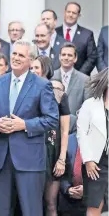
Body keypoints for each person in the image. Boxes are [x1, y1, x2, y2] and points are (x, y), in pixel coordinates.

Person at [0, 39, 59, 216]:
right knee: (2, 211)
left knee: (31, 211)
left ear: (31, 60)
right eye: (14, 53)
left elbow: (52, 119)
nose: (16, 58)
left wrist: (24, 125)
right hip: (0, 158)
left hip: (30, 160)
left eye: (21, 55)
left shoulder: (42, 85)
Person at [30, 56, 71, 216]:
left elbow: (65, 130)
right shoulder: (26, 92)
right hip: (31, 152)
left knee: (51, 203)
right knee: (30, 204)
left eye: (36, 68)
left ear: (45, 70)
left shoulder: (58, 93)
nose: (33, 71)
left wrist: (61, 159)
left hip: (53, 153)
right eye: (31, 68)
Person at [76, 68, 108, 216]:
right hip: (96, 163)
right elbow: (81, 133)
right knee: (95, 204)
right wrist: (88, 160)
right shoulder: (90, 104)